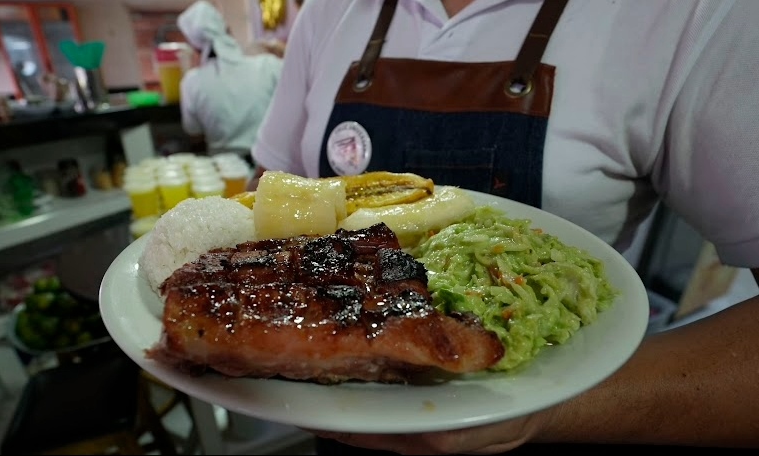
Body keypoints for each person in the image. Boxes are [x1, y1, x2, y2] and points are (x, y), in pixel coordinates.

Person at [249, 0, 759, 454]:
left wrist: (552, 407)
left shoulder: (693, 14)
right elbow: (263, 205)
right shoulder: (325, 11)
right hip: (335, 407)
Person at [176, 0, 283, 160]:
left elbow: (195, 134)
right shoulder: (268, 65)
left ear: (196, 47)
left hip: (223, 171)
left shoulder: (191, 82)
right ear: (228, 31)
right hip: (269, 167)